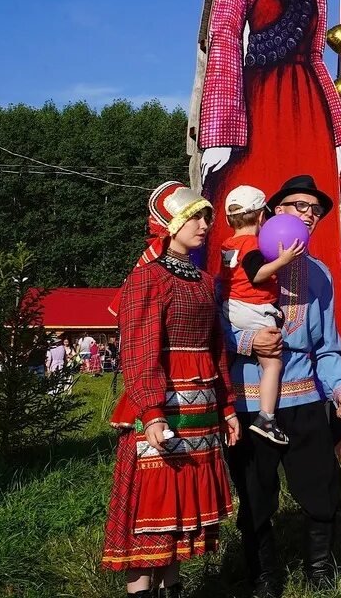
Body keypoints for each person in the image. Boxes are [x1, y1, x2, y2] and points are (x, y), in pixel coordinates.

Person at [189, 0, 341, 345]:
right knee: (245, 213)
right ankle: (233, 337)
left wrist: (338, 130)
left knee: (314, 221)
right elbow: (223, 40)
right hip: (252, 105)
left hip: (305, 110)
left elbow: (316, 55)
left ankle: (323, 343)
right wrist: (217, 130)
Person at [102, 183, 240, 596]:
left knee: (180, 525)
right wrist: (152, 413)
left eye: (206, 218)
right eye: (195, 218)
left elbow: (216, 348)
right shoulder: (147, 278)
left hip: (201, 411)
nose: (204, 225)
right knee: (152, 519)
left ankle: (174, 590)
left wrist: (227, 406)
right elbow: (141, 351)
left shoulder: (201, 280)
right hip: (163, 410)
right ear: (171, 224)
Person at [223, 175, 341, 596]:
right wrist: (247, 340)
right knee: (256, 493)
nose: (309, 215)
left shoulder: (320, 274)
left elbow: (328, 344)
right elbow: (214, 324)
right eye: (300, 206)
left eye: (315, 210)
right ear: (274, 212)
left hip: (304, 394)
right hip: (249, 399)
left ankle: (318, 567)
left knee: (321, 485)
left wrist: (339, 388)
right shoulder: (239, 260)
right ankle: (264, 574)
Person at [217, 184, 305, 446]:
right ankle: (266, 417)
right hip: (253, 307)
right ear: (260, 216)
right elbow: (256, 274)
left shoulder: (228, 243)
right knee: (273, 362)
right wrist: (282, 260)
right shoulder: (251, 244)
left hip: (231, 305)